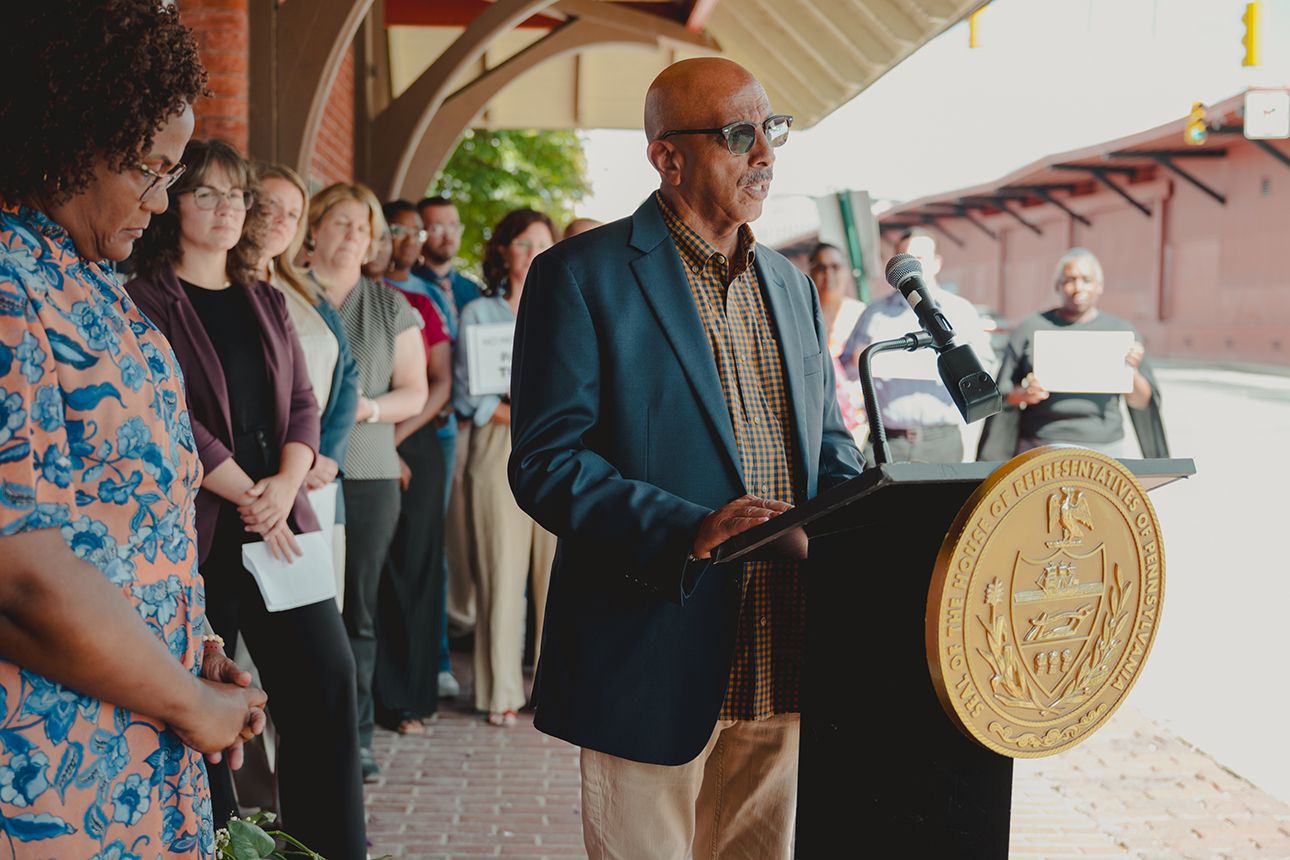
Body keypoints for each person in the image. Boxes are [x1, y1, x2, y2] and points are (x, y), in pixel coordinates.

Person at [508, 58, 863, 859]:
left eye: (771, 131)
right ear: (668, 158)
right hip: (649, 653)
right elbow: (544, 461)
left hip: (784, 653)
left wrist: (869, 523)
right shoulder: (578, 276)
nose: (765, 156)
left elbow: (827, 447)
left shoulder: (792, 285)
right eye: (740, 136)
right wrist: (689, 528)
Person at [0, 3, 266, 857]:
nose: (161, 201)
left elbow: (129, 522)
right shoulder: (10, 292)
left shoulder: (96, 286)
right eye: (151, 171)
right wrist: (192, 706)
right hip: (54, 761)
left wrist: (201, 647)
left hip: (145, 737)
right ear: (75, 140)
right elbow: (21, 571)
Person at [125, 139, 367, 860]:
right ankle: (221, 846)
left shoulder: (264, 296)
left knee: (327, 682)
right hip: (201, 532)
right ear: (173, 203)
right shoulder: (144, 296)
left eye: (238, 197)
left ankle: (331, 851)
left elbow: (301, 401)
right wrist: (243, 489)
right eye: (209, 194)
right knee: (206, 705)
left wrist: (284, 487)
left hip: (280, 526)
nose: (228, 209)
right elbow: (166, 412)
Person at [304, 183, 428, 779]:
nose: (354, 234)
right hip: (296, 474)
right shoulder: (284, 293)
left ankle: (355, 738)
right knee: (303, 606)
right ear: (315, 228)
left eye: (364, 226)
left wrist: (362, 410)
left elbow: (416, 390)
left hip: (370, 470)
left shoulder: (391, 307)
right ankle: (296, 729)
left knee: (358, 608)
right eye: (342, 222)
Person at [454, 208, 558, 728]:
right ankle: (499, 692)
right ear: (504, 251)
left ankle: (555, 690)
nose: (534, 251)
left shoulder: (567, 308)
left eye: (544, 241)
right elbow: (471, 397)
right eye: (524, 242)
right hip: (498, 444)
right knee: (501, 568)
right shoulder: (478, 314)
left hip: (560, 447)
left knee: (554, 574)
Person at [255, 163, 359, 606]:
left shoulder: (306, 289)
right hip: (258, 478)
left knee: (318, 602)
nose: (282, 220)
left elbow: (347, 377)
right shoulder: (221, 288)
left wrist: (326, 455)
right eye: (270, 207)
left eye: (294, 213)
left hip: (315, 476)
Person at [373, 200, 453, 735]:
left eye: (411, 231)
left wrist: (392, 440)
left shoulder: (423, 304)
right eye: (391, 230)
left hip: (415, 442)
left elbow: (441, 382)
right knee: (371, 575)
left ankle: (410, 699)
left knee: (417, 569)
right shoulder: (346, 299)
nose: (402, 240)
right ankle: (373, 693)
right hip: (362, 445)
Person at [976, 247, 1168, 460]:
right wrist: (1023, 394)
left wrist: (1128, 371)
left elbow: (1142, 403)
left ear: (1099, 286)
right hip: (1039, 444)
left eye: (1087, 279)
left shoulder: (1122, 333)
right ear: (1058, 286)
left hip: (1104, 448)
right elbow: (1001, 393)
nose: (1078, 287)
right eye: (1069, 280)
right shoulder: (1032, 328)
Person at [839, 227, 995, 465]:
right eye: (904, 259)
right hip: (887, 440)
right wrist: (857, 360)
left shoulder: (961, 311)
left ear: (936, 263)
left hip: (940, 440)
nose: (911, 266)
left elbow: (987, 367)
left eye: (919, 259)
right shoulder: (875, 313)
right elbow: (845, 371)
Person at [413, 196, 481, 696]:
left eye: (452, 226)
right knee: (431, 544)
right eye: (435, 228)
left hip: (473, 430)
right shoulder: (408, 289)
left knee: (465, 547)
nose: (446, 235)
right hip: (426, 429)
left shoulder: (471, 291)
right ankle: (435, 657)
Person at [809, 242, 866, 440]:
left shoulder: (862, 315)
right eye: (821, 267)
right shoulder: (802, 317)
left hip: (860, 426)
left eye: (836, 267)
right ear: (810, 272)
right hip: (817, 422)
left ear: (847, 272)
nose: (828, 274)